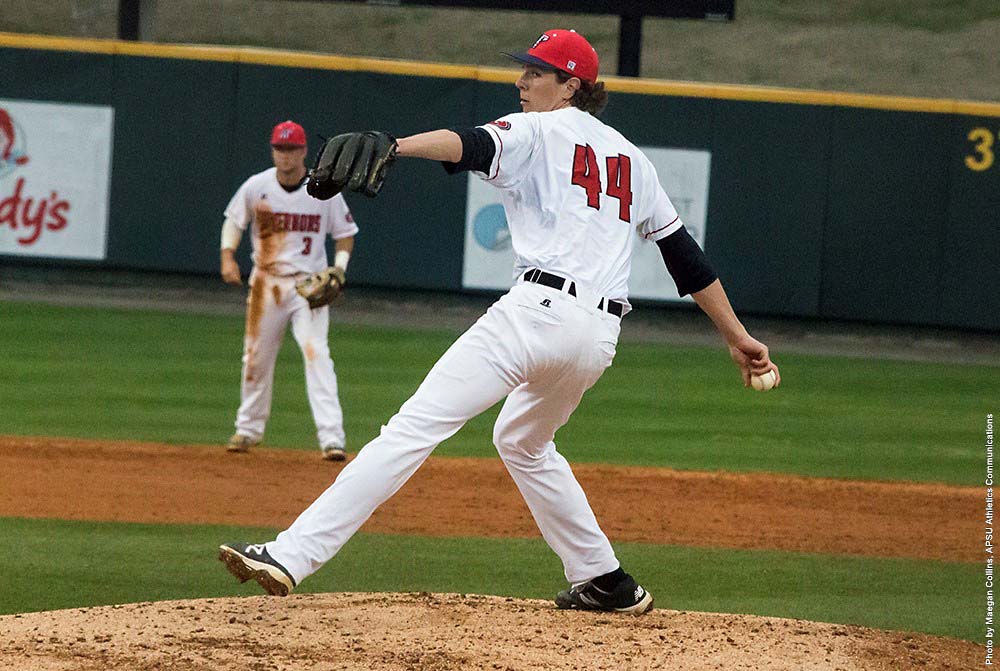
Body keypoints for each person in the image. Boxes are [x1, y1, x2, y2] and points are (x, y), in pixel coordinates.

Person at [219, 30, 780, 613]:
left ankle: (292, 553)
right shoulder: (633, 159)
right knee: (524, 441)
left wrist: (395, 144)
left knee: (412, 428)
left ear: (571, 86)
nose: (522, 81)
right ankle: (605, 578)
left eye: (537, 73)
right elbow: (683, 255)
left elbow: (467, 145)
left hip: (535, 314)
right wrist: (738, 337)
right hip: (597, 337)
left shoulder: (538, 129)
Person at [220, 120, 358, 461]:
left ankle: (332, 438)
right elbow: (234, 220)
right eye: (279, 149)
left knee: (317, 355)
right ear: (272, 151)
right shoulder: (257, 186)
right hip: (266, 284)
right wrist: (227, 257)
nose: (285, 155)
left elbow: (345, 234)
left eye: (292, 149)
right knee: (255, 357)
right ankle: (248, 430)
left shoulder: (323, 188)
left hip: (307, 286)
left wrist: (338, 270)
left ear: (304, 151)